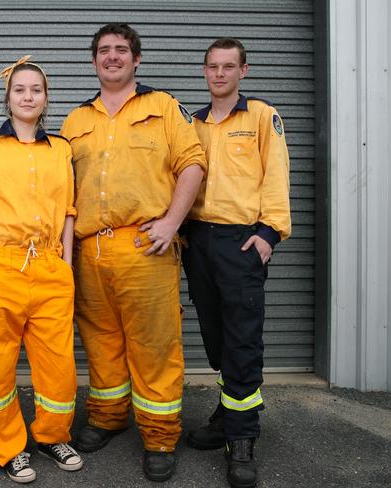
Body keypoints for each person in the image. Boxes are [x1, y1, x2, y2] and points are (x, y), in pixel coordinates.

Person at [60, 23, 207, 482]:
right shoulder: (75, 120)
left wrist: (171, 222)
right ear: (93, 61)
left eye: (121, 50)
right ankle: (107, 416)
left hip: (144, 247)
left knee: (154, 346)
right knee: (101, 342)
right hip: (89, 250)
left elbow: (194, 164)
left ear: (136, 59)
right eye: (103, 51)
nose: (112, 57)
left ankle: (160, 434)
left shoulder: (163, 107)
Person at [0, 56, 82, 484]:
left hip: (50, 267)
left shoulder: (62, 148)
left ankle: (51, 436)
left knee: (58, 366)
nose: (28, 96)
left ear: (46, 99)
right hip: (0, 266)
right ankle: (8, 447)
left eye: (36, 90)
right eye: (20, 90)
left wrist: (66, 263)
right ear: (7, 98)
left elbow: (69, 210)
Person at [181, 38, 292, 488]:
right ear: (205, 72)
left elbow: (277, 174)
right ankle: (230, 413)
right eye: (213, 67)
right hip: (199, 241)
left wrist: (268, 234)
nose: (220, 74)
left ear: (243, 71)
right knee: (215, 338)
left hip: (242, 242)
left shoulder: (263, 117)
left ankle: (242, 438)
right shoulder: (193, 123)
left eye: (229, 67)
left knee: (241, 340)